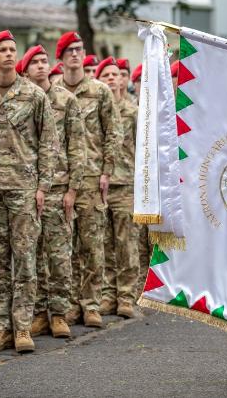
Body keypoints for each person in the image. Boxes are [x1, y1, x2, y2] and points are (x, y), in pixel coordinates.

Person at [0, 31, 58, 353]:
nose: (8, 54)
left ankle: (22, 328)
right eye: (2, 50)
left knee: (24, 258)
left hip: (24, 188)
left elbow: (49, 144)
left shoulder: (34, 96)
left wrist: (43, 186)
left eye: (12, 49)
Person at [55, 32, 121, 328]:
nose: (75, 54)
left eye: (79, 50)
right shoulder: (52, 93)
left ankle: (91, 305)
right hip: (60, 179)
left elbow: (113, 133)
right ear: (61, 57)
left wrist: (107, 171)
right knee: (63, 246)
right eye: (69, 50)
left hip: (93, 178)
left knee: (92, 245)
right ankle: (69, 304)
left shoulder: (100, 91)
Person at [19, 45, 84, 339]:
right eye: (35, 62)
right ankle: (38, 314)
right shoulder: (21, 101)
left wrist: (72, 189)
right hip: (25, 189)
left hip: (58, 189)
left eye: (45, 61)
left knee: (58, 255)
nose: (42, 66)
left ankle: (58, 313)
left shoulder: (66, 100)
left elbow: (77, 146)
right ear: (26, 68)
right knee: (31, 256)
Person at [96, 57, 140, 318]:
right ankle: (107, 294)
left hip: (124, 183)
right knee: (103, 243)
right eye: (106, 75)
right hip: (99, 184)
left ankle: (126, 296)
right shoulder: (94, 110)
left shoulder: (133, 112)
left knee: (125, 242)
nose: (113, 78)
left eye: (116, 74)